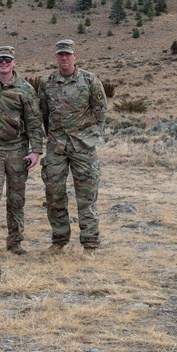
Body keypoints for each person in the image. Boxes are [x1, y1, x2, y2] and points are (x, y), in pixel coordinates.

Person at [36, 39, 108, 256]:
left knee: (87, 196)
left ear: (75, 56)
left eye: (68, 54)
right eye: (60, 54)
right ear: (56, 57)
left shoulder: (89, 80)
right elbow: (44, 113)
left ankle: (90, 246)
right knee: (54, 194)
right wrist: (52, 136)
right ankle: (59, 241)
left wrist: (91, 135)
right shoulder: (47, 82)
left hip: (83, 147)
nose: (64, 58)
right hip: (56, 147)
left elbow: (101, 110)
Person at [0, 46, 44, 255]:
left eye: (8, 59)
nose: (4, 62)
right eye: (0, 59)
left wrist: (36, 151)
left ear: (14, 62)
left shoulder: (25, 89)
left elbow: (34, 122)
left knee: (16, 198)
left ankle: (15, 242)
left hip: (17, 150)